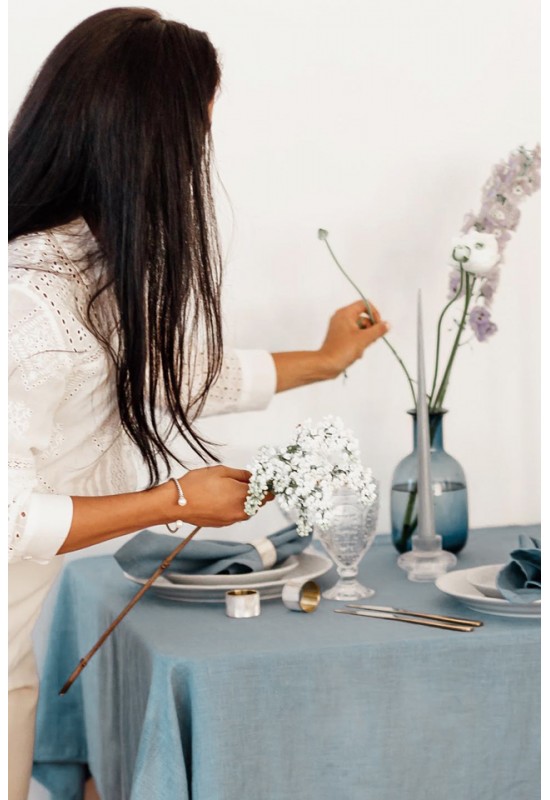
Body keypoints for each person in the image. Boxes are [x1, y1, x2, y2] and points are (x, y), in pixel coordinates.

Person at [8, 7, 389, 799]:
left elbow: (164, 378)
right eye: (194, 137)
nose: (196, 163)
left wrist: (322, 362)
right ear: (143, 142)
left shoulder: (81, 271)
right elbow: (9, 515)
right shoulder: (27, 307)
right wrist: (174, 500)